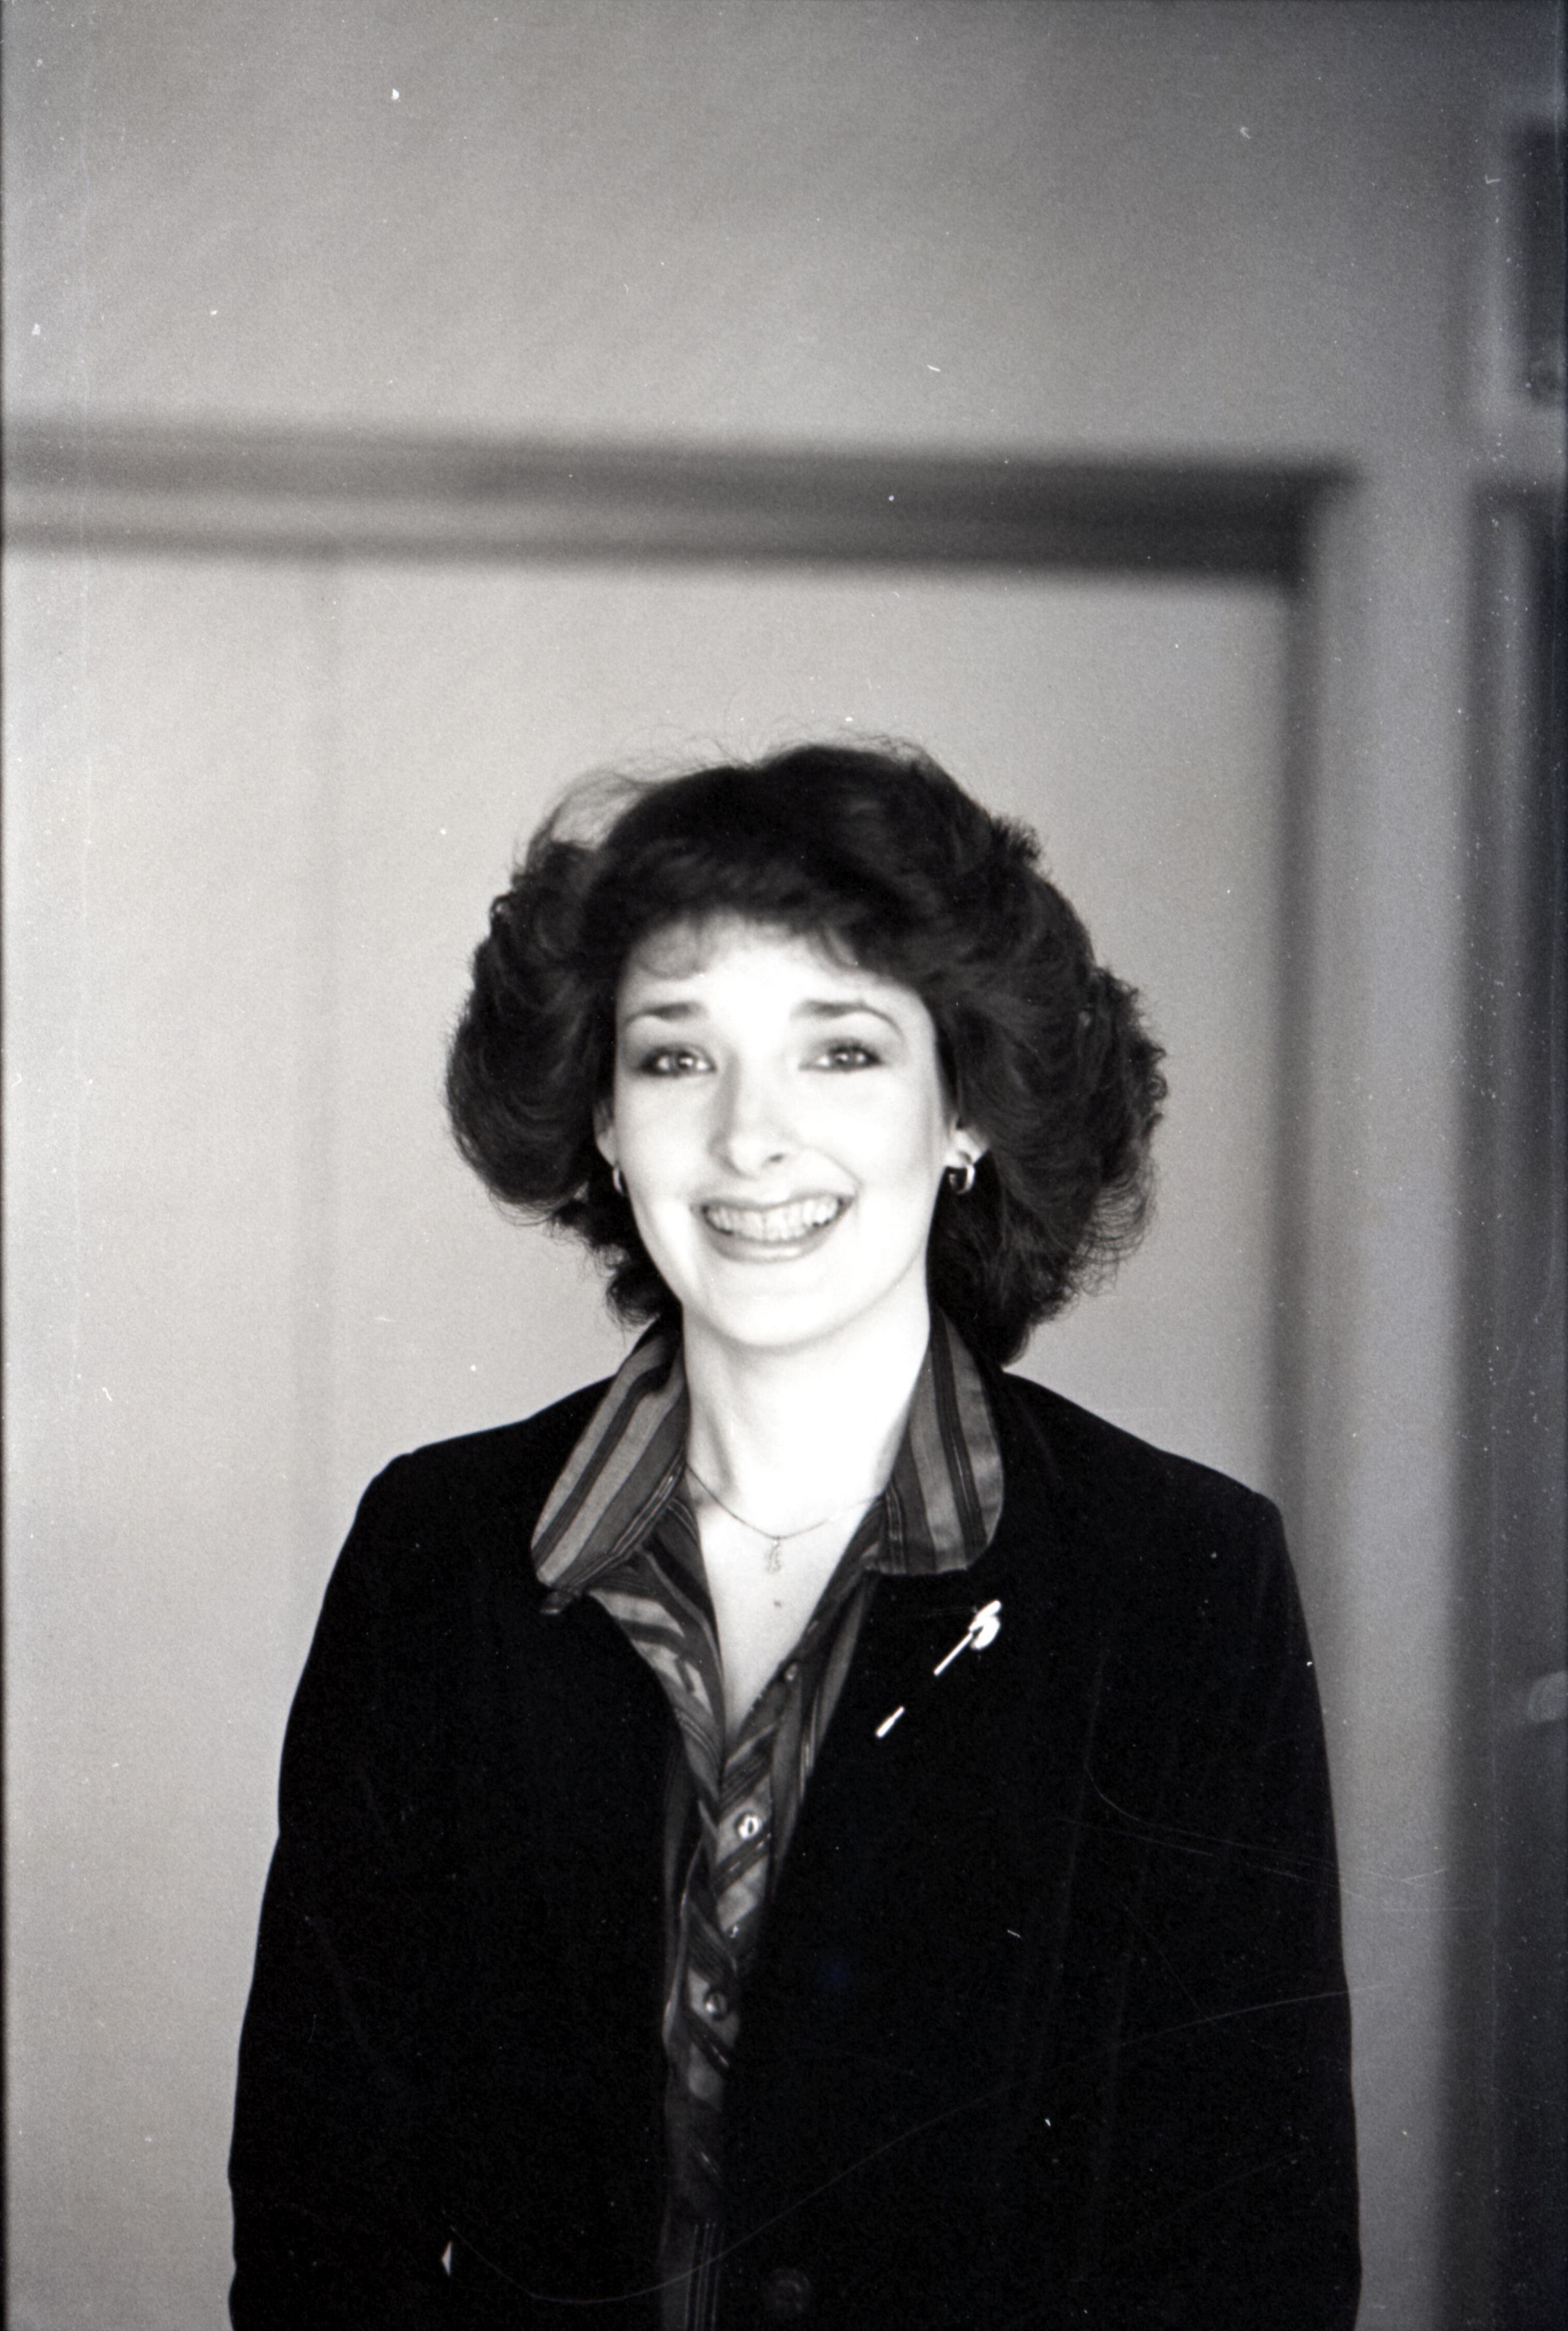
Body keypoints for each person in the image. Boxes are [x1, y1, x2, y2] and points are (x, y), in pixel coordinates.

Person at [229, 741, 1360, 2329]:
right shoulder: (438, 1549)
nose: (750, 1137)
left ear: (966, 1108)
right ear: (604, 1122)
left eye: (840, 1050)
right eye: (676, 1057)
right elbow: (320, 2225)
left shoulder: (1184, 1577)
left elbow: (1250, 2254)